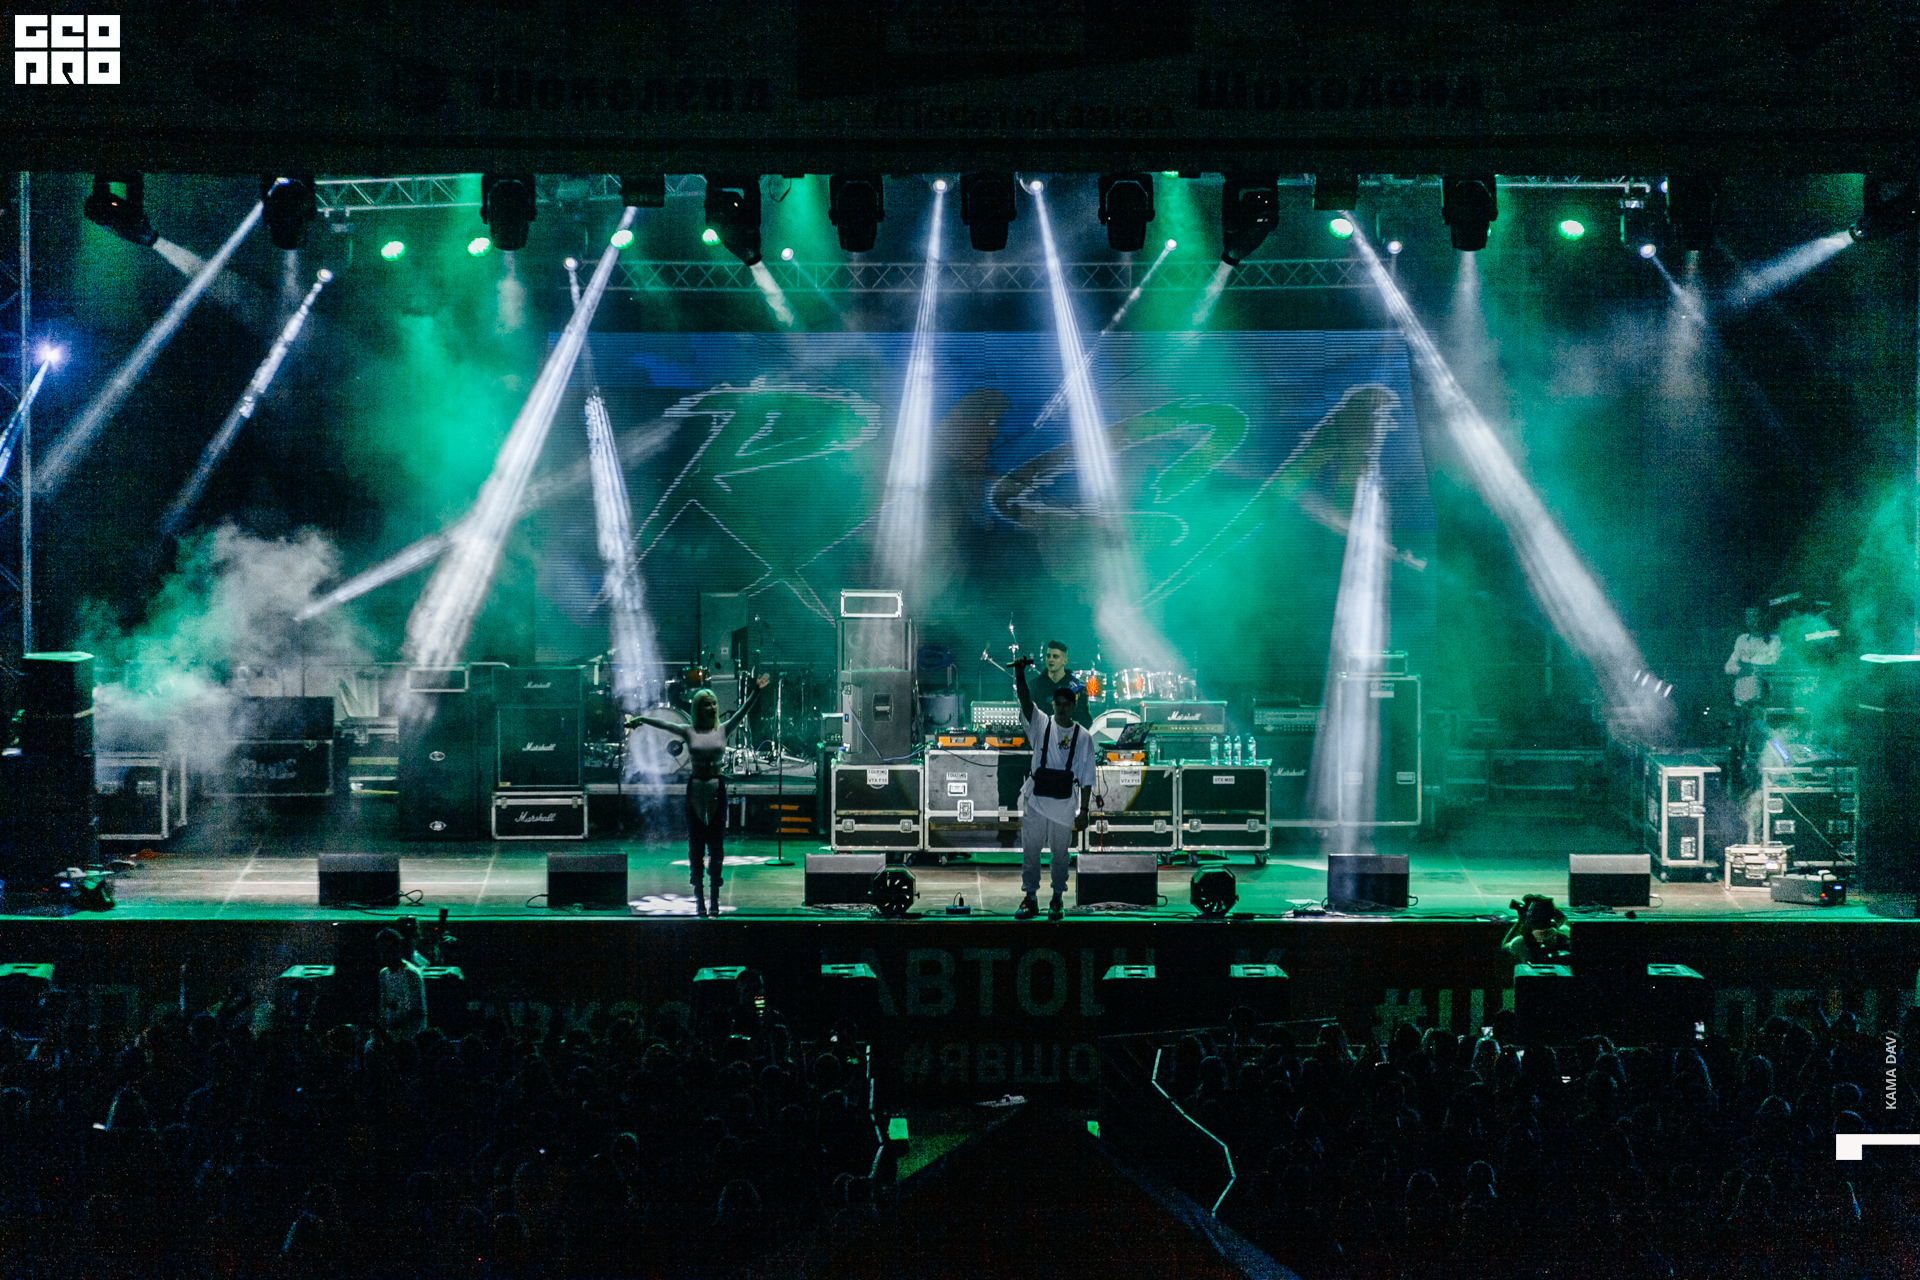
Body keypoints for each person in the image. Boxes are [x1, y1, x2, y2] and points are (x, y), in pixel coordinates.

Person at [628, 674, 768, 916]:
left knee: (716, 843)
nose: (711, 707)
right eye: (706, 704)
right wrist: (642, 719)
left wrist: (756, 690)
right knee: (696, 843)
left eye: (713, 703)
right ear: (697, 708)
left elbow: (743, 711)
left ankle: (714, 897)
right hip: (696, 787)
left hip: (715, 786)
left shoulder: (723, 729)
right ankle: (699, 898)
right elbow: (664, 724)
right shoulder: (689, 731)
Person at [1010, 655, 1095, 920]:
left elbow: (1087, 777)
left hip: (1064, 803)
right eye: (1057, 704)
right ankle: (1030, 897)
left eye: (1065, 704)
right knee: (1031, 852)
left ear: (1073, 706)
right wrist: (1020, 674)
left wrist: (1084, 811)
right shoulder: (1041, 724)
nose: (1061, 708)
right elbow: (1025, 700)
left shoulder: (1083, 737)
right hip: (1036, 800)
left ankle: (1057, 897)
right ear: (1053, 705)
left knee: (1060, 854)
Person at [1025, 639, 1092, 728]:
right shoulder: (1034, 685)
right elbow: (1027, 717)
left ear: (1065, 661)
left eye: (1055, 657)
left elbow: (1085, 721)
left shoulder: (1078, 687)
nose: (1051, 660)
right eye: (1048, 656)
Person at [1725, 606, 1781, 709]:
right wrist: (1741, 668)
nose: (1752, 620)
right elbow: (1729, 667)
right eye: (1749, 617)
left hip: (1762, 702)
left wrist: (1750, 666)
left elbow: (1773, 664)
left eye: (1756, 616)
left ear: (1763, 617)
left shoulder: (1774, 640)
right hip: (1741, 703)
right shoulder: (1742, 639)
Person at [375, 928, 427, 1039]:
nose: (385, 955)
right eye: (382, 950)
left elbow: (416, 1011)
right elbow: (384, 1005)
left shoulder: (411, 974)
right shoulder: (383, 974)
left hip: (411, 1035)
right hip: (391, 1034)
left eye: (389, 950)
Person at [1501, 895, 1571, 964]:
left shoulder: (1519, 943)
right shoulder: (1564, 937)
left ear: (1530, 918)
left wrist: (1520, 920)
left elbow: (1504, 948)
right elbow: (1562, 919)